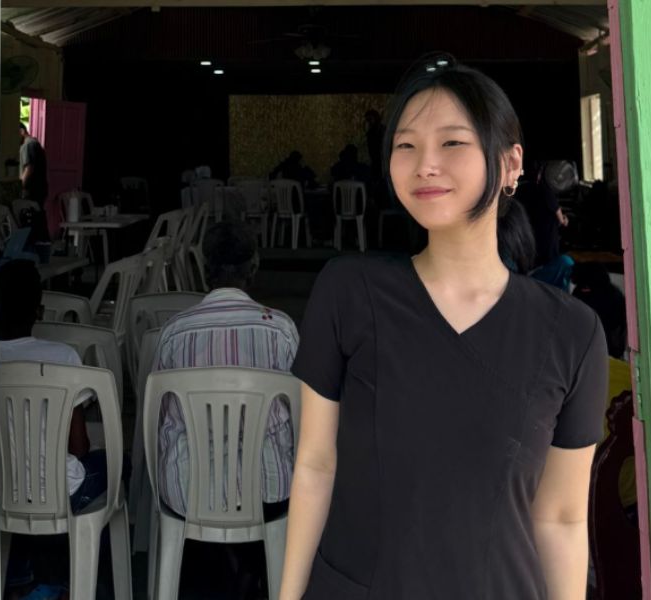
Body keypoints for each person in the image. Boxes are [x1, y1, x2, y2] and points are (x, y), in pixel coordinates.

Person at [281, 54, 608, 599]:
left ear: (511, 163)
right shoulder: (349, 292)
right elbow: (316, 465)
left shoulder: (572, 333)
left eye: (452, 142)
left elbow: (561, 517)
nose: (424, 165)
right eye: (405, 146)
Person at [153, 221, 299, 518]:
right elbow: (302, 412)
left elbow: (158, 413)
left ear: (206, 269)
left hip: (188, 492)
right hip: (269, 491)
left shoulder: (174, 332)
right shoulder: (280, 330)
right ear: (253, 267)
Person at [0, 259, 108, 512]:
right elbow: (79, 447)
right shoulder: (63, 358)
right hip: (62, 491)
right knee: (120, 463)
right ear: (39, 311)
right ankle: (89, 536)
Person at [571, 261, 627, 359]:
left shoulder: (612, 298)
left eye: (586, 287)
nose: (583, 289)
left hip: (606, 347)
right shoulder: (580, 291)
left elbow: (614, 328)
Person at [18, 123, 50, 242]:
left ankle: (37, 243)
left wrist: (21, 186)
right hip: (40, 188)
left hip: (32, 189)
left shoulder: (28, 145)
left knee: (32, 219)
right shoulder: (36, 144)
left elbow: (29, 168)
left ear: (22, 131)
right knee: (38, 216)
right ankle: (42, 243)